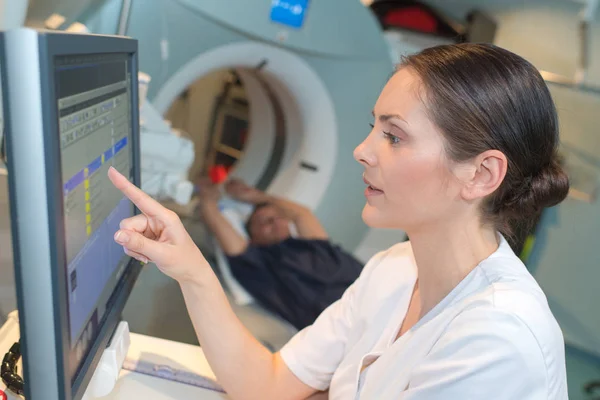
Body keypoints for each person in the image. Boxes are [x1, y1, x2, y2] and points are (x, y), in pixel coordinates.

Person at [109, 43, 570, 399]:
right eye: (373, 127)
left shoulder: (498, 336)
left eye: (393, 135)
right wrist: (192, 269)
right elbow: (268, 385)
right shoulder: (394, 268)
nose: (362, 150)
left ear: (480, 174)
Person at [195, 177, 364, 330]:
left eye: (278, 217)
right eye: (265, 222)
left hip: (368, 291)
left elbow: (301, 213)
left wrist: (257, 196)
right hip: (346, 321)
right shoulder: (258, 262)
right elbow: (223, 230)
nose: (275, 222)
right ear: (252, 237)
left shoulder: (313, 245)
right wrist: (207, 199)